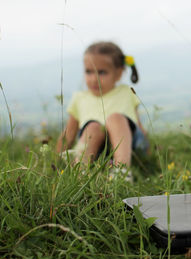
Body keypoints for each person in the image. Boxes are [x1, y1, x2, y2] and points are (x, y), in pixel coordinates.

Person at [56, 41, 149, 174]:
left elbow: (138, 126)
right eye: (88, 72)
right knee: (93, 127)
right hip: (96, 151)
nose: (94, 79)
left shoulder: (126, 92)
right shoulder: (79, 98)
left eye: (102, 72)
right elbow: (69, 134)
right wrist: (54, 160)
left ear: (118, 73)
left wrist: (151, 153)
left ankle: (121, 172)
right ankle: (80, 174)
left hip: (129, 148)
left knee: (115, 118)